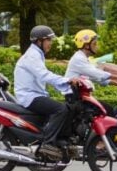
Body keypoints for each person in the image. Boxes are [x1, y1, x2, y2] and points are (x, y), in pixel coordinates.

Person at [14, 25, 79, 159]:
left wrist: (66, 87)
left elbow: (45, 77)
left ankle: (61, 141)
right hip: (29, 97)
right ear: (39, 41)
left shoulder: (37, 54)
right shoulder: (32, 56)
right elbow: (44, 75)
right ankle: (48, 143)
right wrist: (67, 81)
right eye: (48, 40)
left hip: (35, 95)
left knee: (68, 108)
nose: (51, 43)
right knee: (60, 109)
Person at [64, 30, 117, 115]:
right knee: (108, 111)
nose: (97, 46)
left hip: (80, 98)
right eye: (94, 44)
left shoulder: (83, 58)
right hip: (75, 99)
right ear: (86, 46)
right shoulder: (78, 59)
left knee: (109, 110)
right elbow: (97, 74)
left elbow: (96, 78)